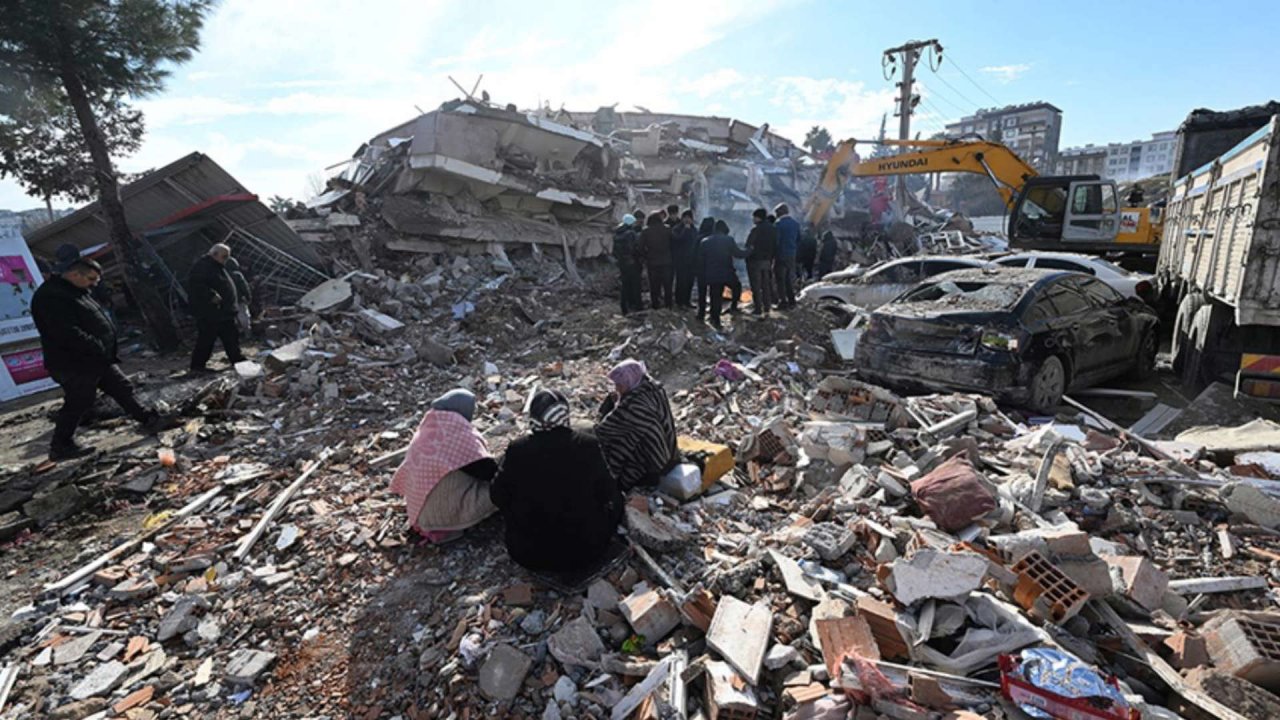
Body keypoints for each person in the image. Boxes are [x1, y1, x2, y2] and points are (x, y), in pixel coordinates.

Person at [30, 258, 167, 459]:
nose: (94, 284)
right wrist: (95, 345)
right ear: (75, 274)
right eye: (91, 279)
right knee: (79, 401)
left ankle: (148, 420)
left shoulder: (76, 291)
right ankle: (61, 446)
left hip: (95, 358)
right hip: (74, 362)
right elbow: (66, 331)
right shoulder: (51, 296)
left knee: (122, 387)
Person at [490, 390, 624, 573]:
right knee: (615, 501)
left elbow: (497, 495)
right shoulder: (587, 445)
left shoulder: (518, 449)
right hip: (588, 550)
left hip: (528, 554)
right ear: (565, 414)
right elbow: (608, 492)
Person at [389, 389, 498, 544]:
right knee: (504, 487)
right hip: (442, 516)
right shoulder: (458, 437)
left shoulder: (428, 430)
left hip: (420, 513)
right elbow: (489, 473)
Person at [595, 359, 678, 490]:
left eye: (620, 385)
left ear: (630, 381)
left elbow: (605, 431)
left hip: (653, 462)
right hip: (670, 450)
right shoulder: (653, 388)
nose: (617, 388)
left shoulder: (635, 405)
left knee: (612, 449)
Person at [187, 243, 247, 373]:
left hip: (223, 312)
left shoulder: (216, 266)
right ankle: (197, 366)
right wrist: (211, 295)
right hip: (211, 313)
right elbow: (196, 285)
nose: (226, 260)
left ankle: (237, 360)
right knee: (206, 340)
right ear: (214, 254)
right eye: (224, 256)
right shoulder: (203, 266)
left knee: (231, 337)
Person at [696, 220, 745, 329]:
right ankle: (734, 306)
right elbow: (738, 254)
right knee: (737, 286)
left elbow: (701, 260)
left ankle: (715, 319)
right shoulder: (729, 240)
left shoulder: (705, 241)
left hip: (711, 274)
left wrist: (702, 275)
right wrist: (750, 251)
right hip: (727, 273)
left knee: (715, 297)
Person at [745, 208, 778, 315]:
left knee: (756, 286)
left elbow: (749, 245)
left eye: (754, 217)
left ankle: (758, 308)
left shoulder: (756, 230)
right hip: (767, 261)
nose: (753, 219)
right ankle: (767, 307)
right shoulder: (773, 229)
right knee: (766, 285)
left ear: (758, 217)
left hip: (755, 262)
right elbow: (775, 245)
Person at [639, 213, 673, 309]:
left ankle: (655, 305)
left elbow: (640, 247)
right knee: (667, 286)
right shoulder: (667, 229)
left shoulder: (645, 231)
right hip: (667, 262)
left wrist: (646, 256)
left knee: (654, 286)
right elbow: (673, 244)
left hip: (652, 262)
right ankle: (668, 305)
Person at [613, 214, 644, 315]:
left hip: (622, 264)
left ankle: (624, 307)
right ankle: (638, 306)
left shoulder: (617, 234)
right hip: (633, 263)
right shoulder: (631, 234)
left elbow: (614, 252)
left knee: (625, 285)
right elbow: (636, 248)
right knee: (636, 285)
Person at [670, 210, 699, 309]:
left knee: (690, 282)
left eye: (689, 218)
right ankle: (679, 302)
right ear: (682, 219)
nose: (687, 220)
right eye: (685, 217)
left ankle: (687, 301)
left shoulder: (694, 229)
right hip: (680, 260)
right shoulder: (676, 229)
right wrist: (685, 230)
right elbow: (677, 240)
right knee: (681, 282)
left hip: (692, 260)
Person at [773, 203, 800, 309]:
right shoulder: (795, 224)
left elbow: (776, 241)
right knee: (789, 278)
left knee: (780, 279)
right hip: (791, 255)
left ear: (779, 213)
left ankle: (782, 301)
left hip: (780, 255)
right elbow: (799, 239)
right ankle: (792, 300)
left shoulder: (778, 224)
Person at [224, 256, 252, 335]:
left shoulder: (221, 275)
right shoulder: (237, 275)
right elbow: (244, 287)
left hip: (226, 302)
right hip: (239, 300)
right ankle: (247, 334)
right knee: (244, 317)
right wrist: (248, 297)